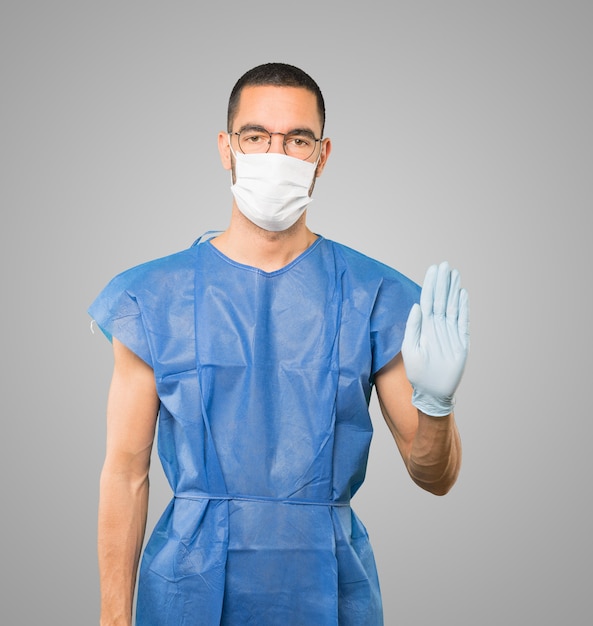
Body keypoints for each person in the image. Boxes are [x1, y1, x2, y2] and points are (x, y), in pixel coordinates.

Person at [89, 62, 469, 626]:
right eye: (255, 137)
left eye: (297, 139)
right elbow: (125, 475)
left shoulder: (374, 295)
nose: (275, 154)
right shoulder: (154, 297)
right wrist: (113, 619)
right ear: (226, 147)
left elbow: (434, 476)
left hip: (328, 587)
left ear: (322, 154)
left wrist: (436, 407)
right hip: (189, 592)